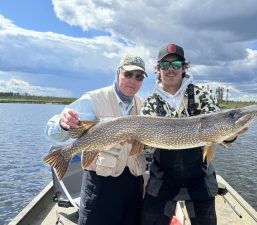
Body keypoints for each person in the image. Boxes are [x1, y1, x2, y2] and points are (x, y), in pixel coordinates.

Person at [140, 44, 243, 225]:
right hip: (163, 176)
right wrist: (135, 141)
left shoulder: (201, 96)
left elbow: (220, 131)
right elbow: (146, 143)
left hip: (199, 176)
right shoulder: (150, 102)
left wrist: (230, 136)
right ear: (158, 69)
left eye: (176, 64)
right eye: (165, 65)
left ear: (184, 67)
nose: (170, 69)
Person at [45, 54, 148, 225]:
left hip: (133, 184)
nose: (132, 80)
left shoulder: (143, 106)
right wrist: (63, 124)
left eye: (138, 77)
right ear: (118, 73)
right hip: (101, 185)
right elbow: (52, 133)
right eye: (128, 74)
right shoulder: (94, 99)